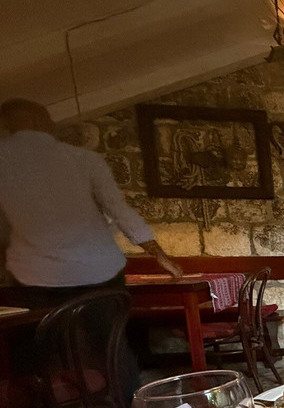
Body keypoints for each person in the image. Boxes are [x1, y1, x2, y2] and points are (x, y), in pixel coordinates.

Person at [0, 98, 182, 308]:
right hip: (98, 272)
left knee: (44, 328)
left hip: (36, 277)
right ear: (40, 122)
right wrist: (159, 255)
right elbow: (119, 211)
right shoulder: (83, 158)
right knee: (105, 327)